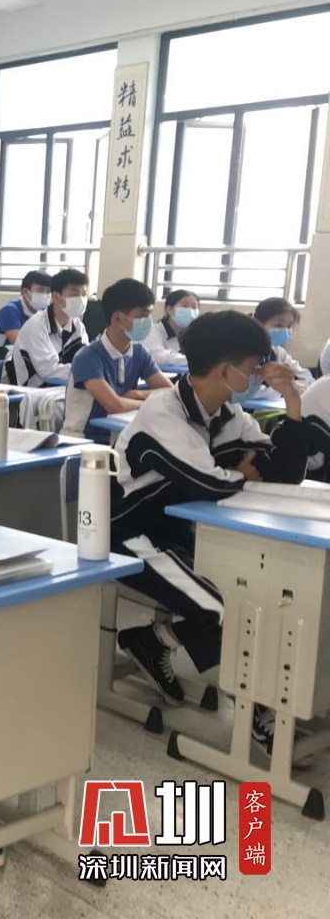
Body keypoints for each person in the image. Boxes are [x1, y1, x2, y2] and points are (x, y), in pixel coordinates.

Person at [112, 311, 309, 756]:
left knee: (257, 598)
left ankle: (154, 641)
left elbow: (282, 475)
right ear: (226, 370)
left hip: (182, 536)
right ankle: (256, 714)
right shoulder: (162, 412)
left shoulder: (228, 414)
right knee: (225, 610)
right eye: (256, 367)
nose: (261, 375)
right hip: (130, 537)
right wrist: (239, 475)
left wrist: (293, 407)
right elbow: (207, 483)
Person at [61, 278, 173, 442]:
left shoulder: (140, 353)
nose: (148, 320)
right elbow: (115, 406)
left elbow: (170, 392)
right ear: (118, 318)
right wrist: (145, 402)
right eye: (143, 315)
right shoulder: (88, 357)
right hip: (83, 440)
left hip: (122, 436)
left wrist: (137, 394)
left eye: (149, 314)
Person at [5, 268, 90, 387]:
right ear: (56, 297)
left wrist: (92, 370)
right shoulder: (36, 326)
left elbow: (86, 360)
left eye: (84, 294)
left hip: (64, 388)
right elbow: (49, 372)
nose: (81, 299)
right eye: (74, 294)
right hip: (34, 392)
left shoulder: (78, 326)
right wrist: (90, 372)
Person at [253, 297, 313, 400]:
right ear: (259, 323)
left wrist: (297, 386)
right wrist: (285, 389)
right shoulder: (245, 352)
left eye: (289, 326)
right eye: (279, 325)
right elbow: (245, 390)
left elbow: (306, 377)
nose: (285, 330)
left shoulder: (277, 351)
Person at [0, 270, 51, 349]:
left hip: (29, 355)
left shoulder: (47, 311)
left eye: (48, 291)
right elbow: (20, 345)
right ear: (25, 292)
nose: (45, 295)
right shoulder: (9, 311)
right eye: (40, 291)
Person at [144, 290, 198, 368]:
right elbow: (158, 356)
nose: (190, 311)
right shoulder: (153, 331)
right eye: (185, 306)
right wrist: (195, 360)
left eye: (194, 307)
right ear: (169, 309)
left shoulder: (191, 334)